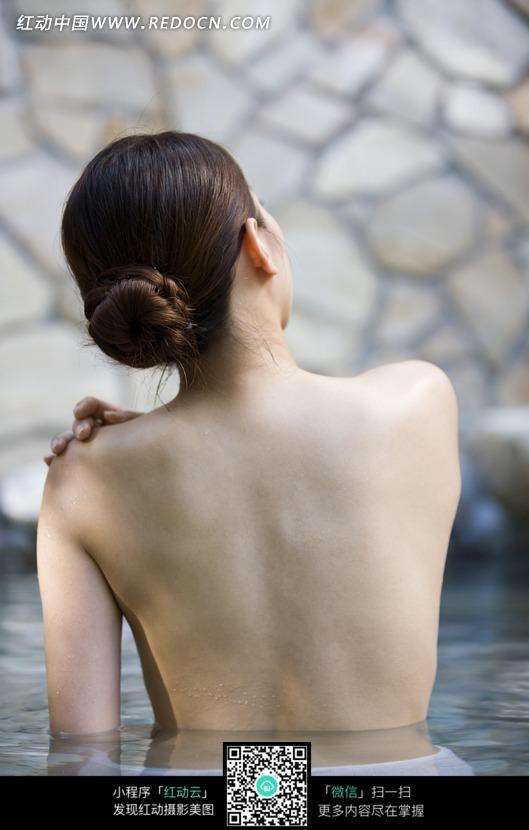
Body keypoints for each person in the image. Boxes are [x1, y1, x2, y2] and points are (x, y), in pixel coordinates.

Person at [38, 131, 461, 744]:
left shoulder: (82, 480)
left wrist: (138, 440)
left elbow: (83, 751)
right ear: (258, 245)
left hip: (209, 787)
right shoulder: (419, 401)